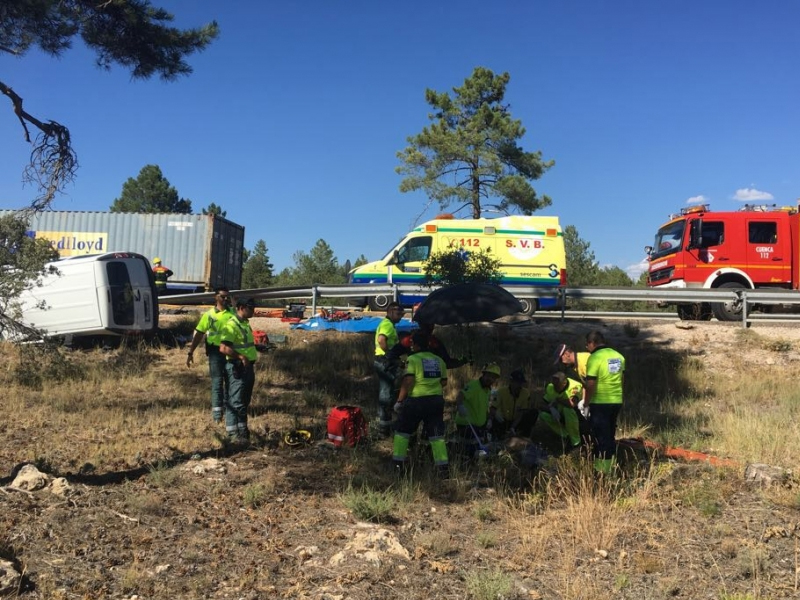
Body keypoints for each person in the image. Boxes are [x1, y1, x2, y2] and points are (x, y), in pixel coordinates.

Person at [392, 332, 449, 475]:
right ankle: (443, 469)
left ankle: (398, 465)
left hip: (416, 401)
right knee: (436, 436)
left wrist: (399, 401)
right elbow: (444, 382)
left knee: (403, 432)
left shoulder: (412, 359)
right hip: (435, 401)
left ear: (415, 345)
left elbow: (408, 381)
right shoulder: (438, 360)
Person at [186, 287, 236, 423]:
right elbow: (199, 334)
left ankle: (229, 411)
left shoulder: (233, 313)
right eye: (223, 297)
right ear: (216, 297)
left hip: (231, 351)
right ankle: (217, 415)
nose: (225, 299)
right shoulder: (209, 315)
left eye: (227, 297)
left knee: (231, 382)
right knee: (217, 382)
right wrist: (191, 352)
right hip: (215, 352)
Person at [584, 330, 626, 474]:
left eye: (587, 345)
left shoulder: (595, 358)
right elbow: (622, 380)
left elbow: (590, 384)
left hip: (600, 402)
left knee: (599, 437)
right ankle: (611, 467)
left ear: (592, 343)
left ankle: (601, 471)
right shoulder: (619, 356)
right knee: (609, 435)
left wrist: (586, 404)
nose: (586, 349)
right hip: (616, 401)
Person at [219, 297, 258, 444]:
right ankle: (233, 434)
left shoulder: (245, 324)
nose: (253, 311)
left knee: (244, 401)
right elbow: (223, 348)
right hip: (237, 367)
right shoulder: (232, 325)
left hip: (247, 367)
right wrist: (241, 357)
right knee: (235, 401)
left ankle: (243, 432)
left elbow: (244, 344)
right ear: (241, 308)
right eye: (250, 308)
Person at [373, 302, 405, 437]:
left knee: (389, 391)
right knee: (386, 393)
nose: (400, 317)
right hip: (384, 361)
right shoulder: (387, 324)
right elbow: (381, 340)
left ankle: (385, 422)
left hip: (385, 361)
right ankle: (383, 427)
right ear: (390, 312)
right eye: (398, 314)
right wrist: (389, 356)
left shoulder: (390, 325)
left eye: (402, 314)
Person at [454, 363, 501, 450]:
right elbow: (460, 395)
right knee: (473, 449)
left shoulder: (487, 390)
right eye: (489, 375)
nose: (490, 379)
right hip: (466, 424)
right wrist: (460, 406)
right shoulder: (474, 385)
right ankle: (453, 447)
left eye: (493, 377)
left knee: (487, 444)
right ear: (483, 374)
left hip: (478, 426)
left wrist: (489, 419)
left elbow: (483, 407)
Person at [538, 371, 583, 449]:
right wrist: (551, 408)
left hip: (577, 415)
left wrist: (558, 400)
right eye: (554, 385)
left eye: (557, 386)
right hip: (559, 415)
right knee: (543, 415)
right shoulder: (551, 387)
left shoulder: (575, 386)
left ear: (564, 383)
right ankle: (566, 435)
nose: (555, 388)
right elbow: (541, 404)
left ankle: (576, 442)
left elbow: (572, 404)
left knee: (567, 410)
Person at [489, 369, 537, 438]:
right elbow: (493, 408)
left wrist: (513, 427)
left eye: (520, 383)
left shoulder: (525, 393)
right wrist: (494, 416)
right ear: (511, 382)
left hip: (516, 421)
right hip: (503, 420)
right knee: (495, 427)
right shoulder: (501, 391)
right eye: (517, 382)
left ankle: (523, 436)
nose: (519, 385)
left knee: (533, 412)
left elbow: (521, 413)